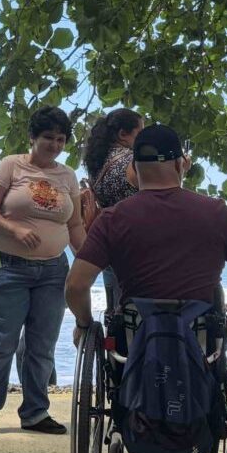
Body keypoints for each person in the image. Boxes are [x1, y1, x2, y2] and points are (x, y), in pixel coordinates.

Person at [65, 123, 227, 355]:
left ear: (135, 167)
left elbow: (76, 285)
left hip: (136, 336)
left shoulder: (112, 219)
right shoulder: (216, 212)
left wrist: (83, 324)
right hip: (201, 336)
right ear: (179, 164)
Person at [0, 106, 86, 439]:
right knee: (1, 342)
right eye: (48, 137)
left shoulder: (68, 176)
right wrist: (15, 230)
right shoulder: (11, 165)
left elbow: (75, 224)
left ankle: (36, 411)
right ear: (33, 137)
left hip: (53, 271)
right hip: (6, 267)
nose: (54, 145)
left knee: (42, 345)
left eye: (61, 139)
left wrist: (89, 260)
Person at [82, 108, 144, 312]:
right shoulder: (133, 162)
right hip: (138, 245)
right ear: (123, 134)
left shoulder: (97, 165)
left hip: (109, 242)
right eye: (139, 132)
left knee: (118, 308)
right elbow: (162, 193)